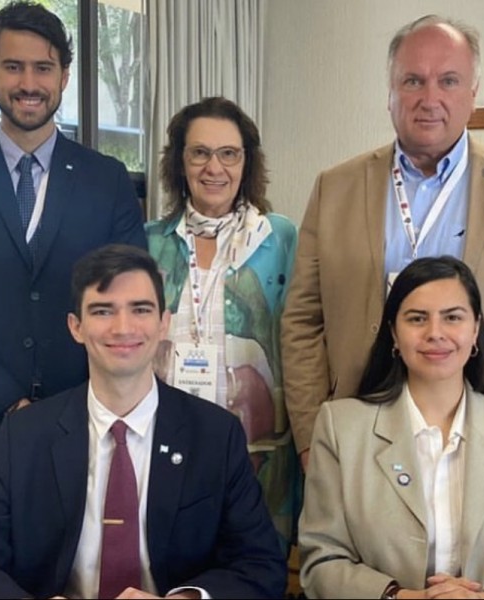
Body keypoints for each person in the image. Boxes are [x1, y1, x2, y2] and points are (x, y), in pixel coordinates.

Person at [281, 14, 484, 470]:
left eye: (448, 80)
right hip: (356, 430)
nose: (429, 98)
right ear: (390, 92)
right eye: (412, 80)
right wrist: (311, 433)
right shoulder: (335, 187)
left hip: (480, 434)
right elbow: (302, 320)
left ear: (473, 92)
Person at [0, 244, 286, 599]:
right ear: (76, 327)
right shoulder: (23, 436)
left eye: (140, 309)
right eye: (102, 311)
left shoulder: (215, 435)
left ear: (164, 324)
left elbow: (260, 565)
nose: (122, 327)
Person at [0, 1, 147, 490]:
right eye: (13, 67)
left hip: (87, 411)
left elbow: (126, 296)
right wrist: (6, 402)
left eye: (44, 67)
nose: (29, 83)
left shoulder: (108, 180)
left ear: (64, 76)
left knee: (83, 558)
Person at [298, 256, 484, 599]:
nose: (435, 333)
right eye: (417, 318)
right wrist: (403, 598)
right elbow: (321, 562)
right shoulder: (341, 428)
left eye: (453, 317)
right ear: (393, 333)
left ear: (475, 330)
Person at [145, 96, 300, 553]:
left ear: (246, 162)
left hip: (258, 442)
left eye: (229, 153)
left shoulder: (281, 238)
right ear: (180, 162)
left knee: (252, 563)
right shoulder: (150, 241)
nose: (215, 167)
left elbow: (305, 336)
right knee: (171, 558)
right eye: (200, 152)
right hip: (168, 434)